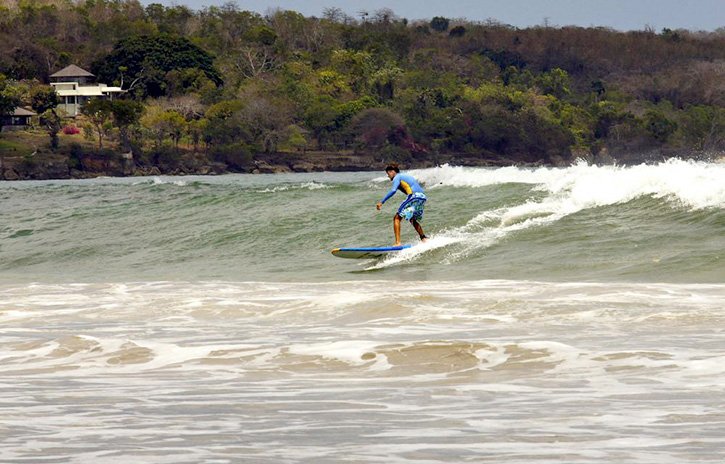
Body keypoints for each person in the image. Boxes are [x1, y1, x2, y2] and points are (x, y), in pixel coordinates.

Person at [376, 163, 428, 246]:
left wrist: (382, 202)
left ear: (392, 172)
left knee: (396, 218)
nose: (388, 176)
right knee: (412, 218)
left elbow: (393, 190)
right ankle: (423, 238)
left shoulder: (397, 177)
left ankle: (398, 242)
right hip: (422, 197)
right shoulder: (405, 176)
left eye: (388, 173)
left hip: (414, 196)